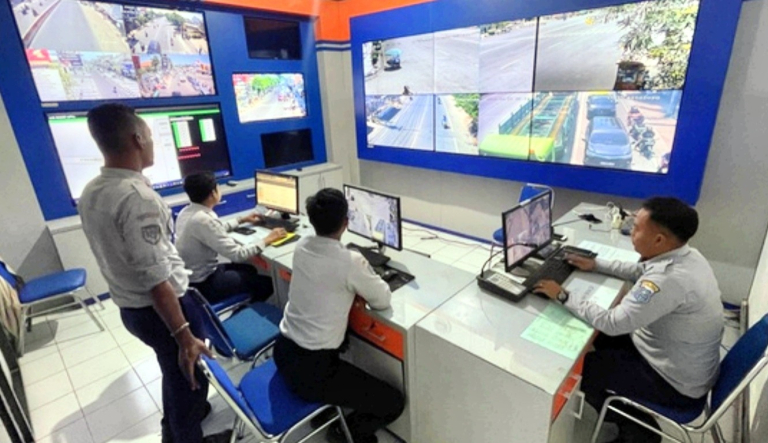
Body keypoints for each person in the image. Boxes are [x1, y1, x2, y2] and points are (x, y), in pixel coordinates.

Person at [78, 103, 230, 443]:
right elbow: (156, 277)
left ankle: (174, 431)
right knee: (188, 375)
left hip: (131, 308)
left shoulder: (92, 191)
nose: (152, 143)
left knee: (174, 374)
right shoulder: (137, 198)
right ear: (137, 139)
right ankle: (186, 435)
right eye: (149, 135)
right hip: (164, 309)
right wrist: (184, 335)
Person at [533, 197, 723, 443]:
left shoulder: (668, 280)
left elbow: (613, 324)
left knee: (584, 371)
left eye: (636, 228)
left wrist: (562, 295)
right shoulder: (687, 256)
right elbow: (639, 271)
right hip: (677, 360)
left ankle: (640, 431)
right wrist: (595, 264)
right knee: (595, 338)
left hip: (673, 384)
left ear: (659, 240)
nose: (631, 232)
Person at [273, 188, 404, 443]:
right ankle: (344, 434)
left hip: (283, 351)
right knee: (393, 402)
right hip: (313, 372)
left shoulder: (301, 246)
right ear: (346, 223)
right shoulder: (351, 261)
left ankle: (330, 407)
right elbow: (382, 299)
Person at [175, 172, 285, 305]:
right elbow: (238, 255)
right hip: (204, 283)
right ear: (213, 193)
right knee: (267, 284)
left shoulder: (186, 212)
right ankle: (246, 310)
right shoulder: (203, 219)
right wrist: (267, 239)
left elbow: (214, 230)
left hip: (191, 278)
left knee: (250, 269)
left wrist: (241, 220)